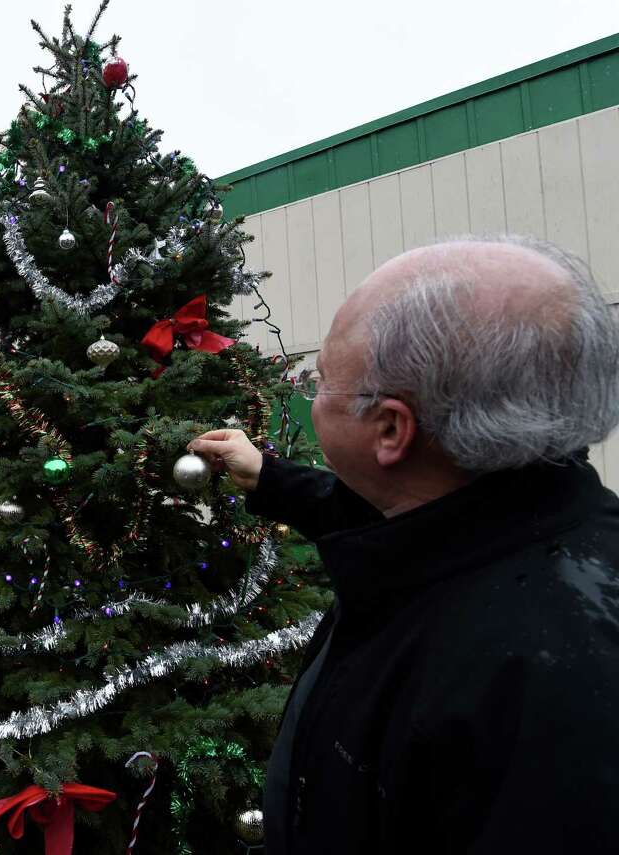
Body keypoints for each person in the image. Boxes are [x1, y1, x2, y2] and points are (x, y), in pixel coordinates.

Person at [189, 235, 619, 854]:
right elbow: (392, 522)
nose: (311, 395)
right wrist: (271, 478)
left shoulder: (554, 697)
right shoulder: (510, 520)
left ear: (391, 428)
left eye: (322, 381)